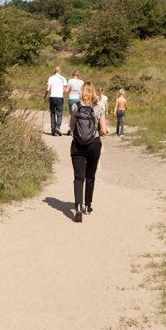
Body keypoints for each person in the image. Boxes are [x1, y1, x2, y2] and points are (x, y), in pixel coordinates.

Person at [69, 81, 106, 223]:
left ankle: (77, 207)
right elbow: (103, 129)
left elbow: (72, 126)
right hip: (94, 144)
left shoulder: (75, 106)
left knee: (79, 177)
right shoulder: (98, 108)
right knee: (90, 176)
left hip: (77, 144)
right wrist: (99, 133)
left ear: (82, 92)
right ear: (93, 93)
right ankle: (87, 206)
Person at [43, 66, 67, 136]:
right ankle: (57, 127)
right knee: (59, 113)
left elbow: (48, 89)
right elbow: (65, 90)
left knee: (52, 113)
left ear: (54, 71)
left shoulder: (51, 78)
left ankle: (53, 130)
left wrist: (45, 96)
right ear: (60, 71)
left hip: (52, 97)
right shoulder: (63, 78)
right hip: (60, 97)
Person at [65, 70, 84, 136]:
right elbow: (83, 92)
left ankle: (71, 129)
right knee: (79, 114)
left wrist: (63, 89)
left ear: (73, 74)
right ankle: (78, 128)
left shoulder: (70, 81)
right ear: (78, 75)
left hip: (72, 98)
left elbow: (67, 91)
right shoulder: (81, 82)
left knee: (71, 114)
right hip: (79, 99)